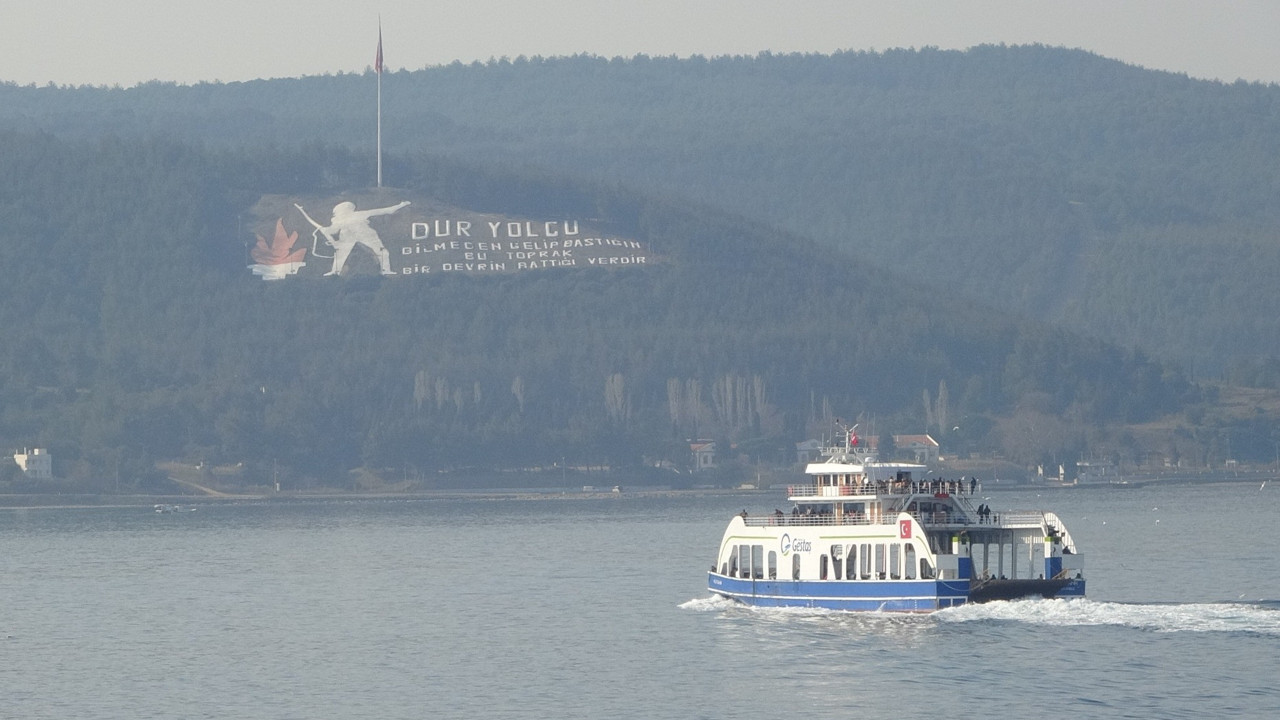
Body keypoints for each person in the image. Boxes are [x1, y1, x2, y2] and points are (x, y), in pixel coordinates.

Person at [295, 199, 410, 276]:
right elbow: (386, 210)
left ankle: (386, 270)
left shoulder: (352, 216)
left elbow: (385, 210)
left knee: (381, 252)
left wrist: (401, 205)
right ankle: (335, 271)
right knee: (341, 254)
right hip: (349, 235)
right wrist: (326, 230)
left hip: (365, 233)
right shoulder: (343, 219)